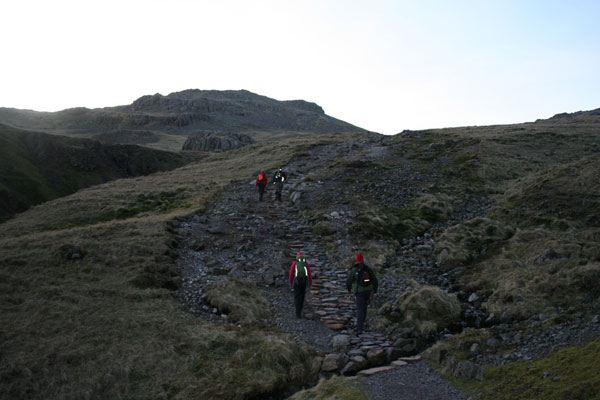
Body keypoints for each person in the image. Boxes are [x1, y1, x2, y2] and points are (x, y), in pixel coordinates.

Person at [346, 253, 378, 334]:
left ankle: (359, 328)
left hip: (359, 291)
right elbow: (374, 279)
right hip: (368, 291)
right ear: (363, 260)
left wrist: (349, 289)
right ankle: (362, 324)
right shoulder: (367, 268)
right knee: (364, 308)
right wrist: (375, 290)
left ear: (357, 260)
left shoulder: (355, 269)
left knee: (360, 309)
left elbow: (349, 280)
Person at [288, 251, 313, 318]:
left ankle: (297, 313)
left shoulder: (295, 263)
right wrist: (310, 283)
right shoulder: (306, 264)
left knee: (297, 296)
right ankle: (300, 312)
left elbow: (291, 273)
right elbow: (309, 274)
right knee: (302, 297)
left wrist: (290, 282)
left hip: (297, 282)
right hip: (303, 282)